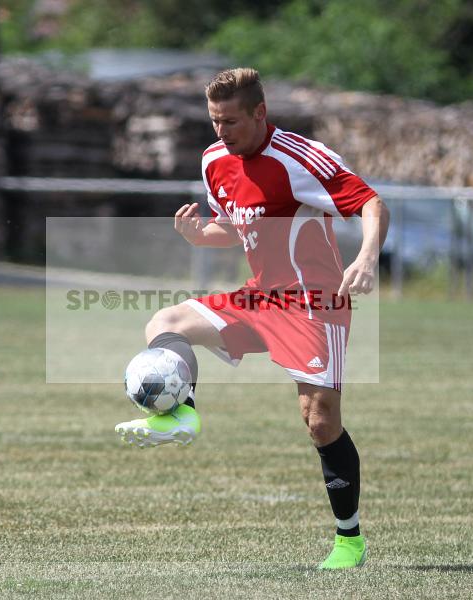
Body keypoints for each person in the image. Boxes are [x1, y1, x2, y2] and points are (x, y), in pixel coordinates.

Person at [115, 68, 389, 570]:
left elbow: (371, 202)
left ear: (261, 113)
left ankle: (349, 540)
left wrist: (367, 258)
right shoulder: (214, 160)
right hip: (259, 298)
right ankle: (182, 411)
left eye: (232, 122)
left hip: (313, 302)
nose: (221, 132)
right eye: (214, 121)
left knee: (320, 421)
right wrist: (203, 236)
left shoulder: (301, 158)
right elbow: (238, 226)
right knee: (165, 322)